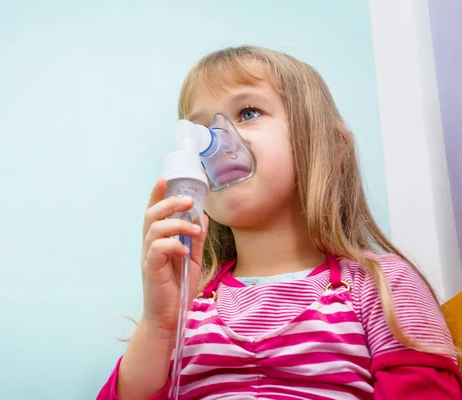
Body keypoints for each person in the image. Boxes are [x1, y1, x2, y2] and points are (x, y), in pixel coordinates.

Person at [97, 46, 462, 399]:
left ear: (329, 146)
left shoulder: (382, 285)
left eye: (248, 112)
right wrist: (160, 323)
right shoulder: (187, 306)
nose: (213, 141)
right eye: (200, 128)